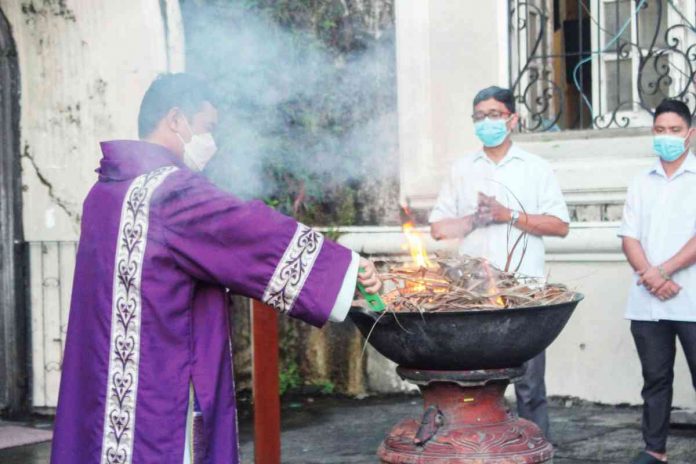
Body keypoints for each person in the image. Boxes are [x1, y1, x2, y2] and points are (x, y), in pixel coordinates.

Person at [50, 73, 382, 464]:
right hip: (157, 389)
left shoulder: (105, 192)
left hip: (105, 386)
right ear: (176, 119)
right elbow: (243, 229)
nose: (213, 143)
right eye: (207, 127)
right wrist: (345, 266)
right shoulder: (168, 190)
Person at [429, 86, 569, 440]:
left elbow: (559, 225)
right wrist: (475, 220)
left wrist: (508, 215)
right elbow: (438, 228)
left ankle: (537, 450)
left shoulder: (535, 168)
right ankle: (477, 451)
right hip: (473, 293)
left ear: (512, 119)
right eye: (479, 117)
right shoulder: (462, 168)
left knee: (530, 384)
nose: (486, 122)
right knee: (474, 383)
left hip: (525, 293)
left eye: (493, 115)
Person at [619, 99, 696, 464]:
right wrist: (652, 277)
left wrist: (661, 272)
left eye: (675, 130)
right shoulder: (640, 182)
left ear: (690, 134)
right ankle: (654, 450)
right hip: (648, 302)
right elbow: (629, 237)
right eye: (660, 131)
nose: (667, 137)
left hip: (691, 298)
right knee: (655, 380)